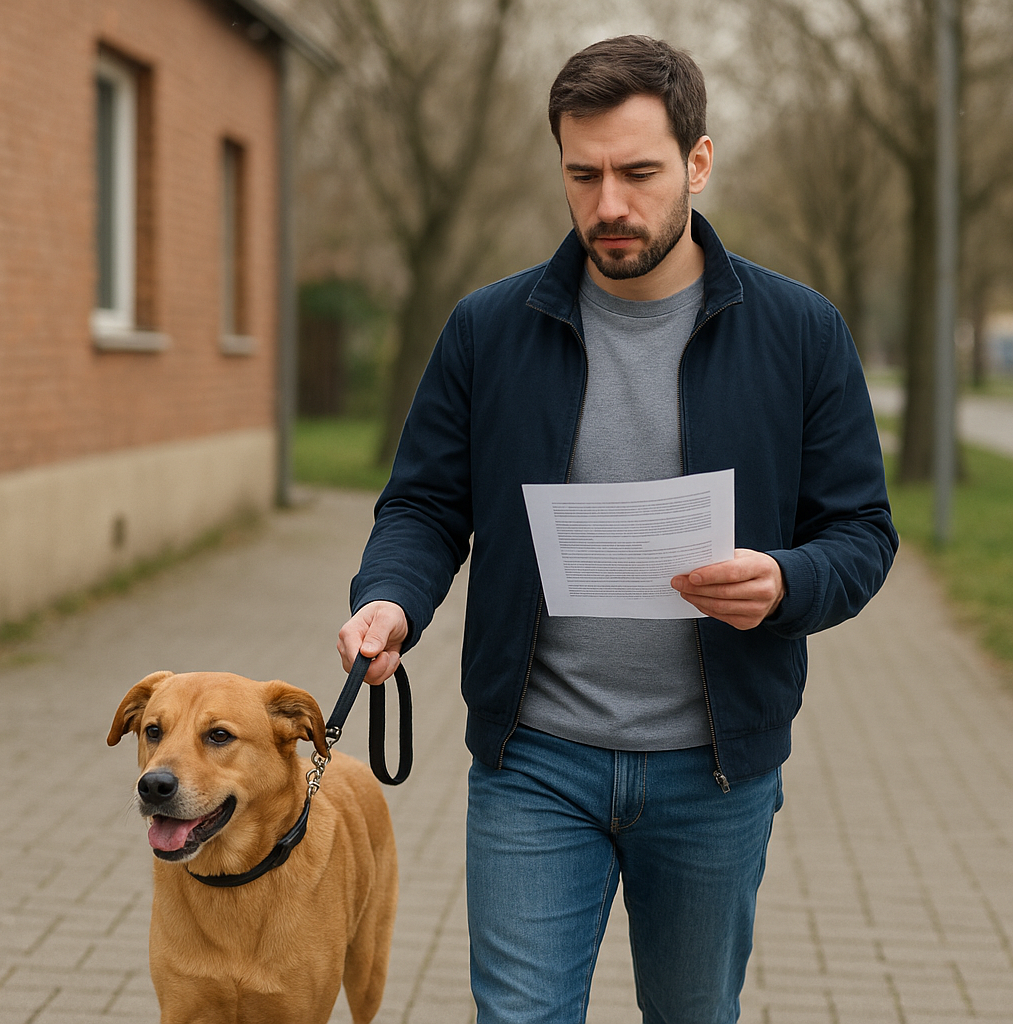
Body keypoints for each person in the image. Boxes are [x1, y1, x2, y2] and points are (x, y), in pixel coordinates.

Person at [337, 34, 897, 1024]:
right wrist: (389, 600)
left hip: (715, 771)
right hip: (533, 760)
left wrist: (785, 583)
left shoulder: (801, 332)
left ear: (697, 161)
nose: (608, 205)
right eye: (582, 174)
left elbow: (859, 530)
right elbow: (425, 504)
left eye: (638, 173)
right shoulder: (487, 331)